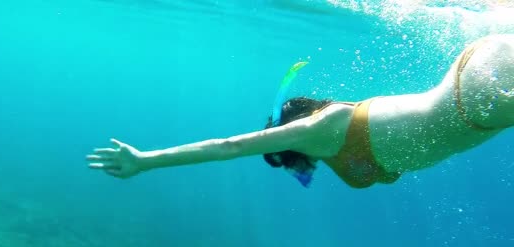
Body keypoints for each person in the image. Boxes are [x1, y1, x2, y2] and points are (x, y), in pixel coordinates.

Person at [86, 34, 514, 189]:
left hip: (475, 92)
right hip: (480, 99)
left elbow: (229, 146)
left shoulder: (320, 130)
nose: (301, 169)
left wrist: (146, 161)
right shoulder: (325, 146)